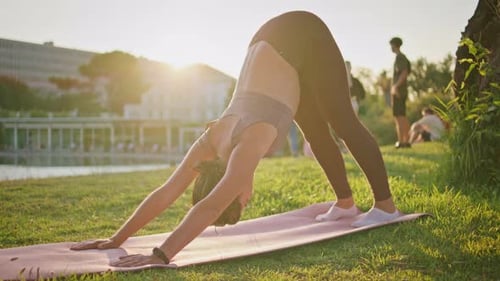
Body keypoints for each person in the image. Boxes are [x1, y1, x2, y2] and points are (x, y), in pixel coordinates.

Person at [71, 11, 400, 267]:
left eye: (242, 201)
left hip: (302, 33)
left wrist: (162, 254)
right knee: (313, 128)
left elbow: (210, 204)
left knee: (342, 120)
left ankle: (386, 207)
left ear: (232, 186)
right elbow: (167, 191)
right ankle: (345, 205)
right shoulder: (211, 142)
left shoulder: (247, 145)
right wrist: (117, 238)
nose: (248, 197)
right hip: (270, 42)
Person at [389, 37, 412, 149]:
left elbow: (404, 72)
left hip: (399, 91)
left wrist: (395, 87)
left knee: (400, 116)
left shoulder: (400, 57)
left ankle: (405, 141)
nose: (390, 48)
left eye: (391, 45)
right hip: (399, 91)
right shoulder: (400, 58)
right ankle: (401, 141)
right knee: (399, 116)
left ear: (394, 45)